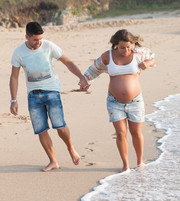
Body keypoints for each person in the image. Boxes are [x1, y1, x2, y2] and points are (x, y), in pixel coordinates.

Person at [10, 21, 86, 172]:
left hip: (52, 91)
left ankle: (70, 148)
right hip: (33, 96)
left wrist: (82, 77)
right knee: (41, 130)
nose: (39, 43)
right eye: (35, 40)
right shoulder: (18, 52)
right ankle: (53, 161)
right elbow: (14, 77)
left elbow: (67, 62)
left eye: (40, 39)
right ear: (27, 37)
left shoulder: (49, 46)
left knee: (60, 125)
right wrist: (13, 100)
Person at [79, 29, 156, 172]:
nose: (126, 50)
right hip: (115, 102)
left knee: (136, 132)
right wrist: (85, 80)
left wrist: (148, 64)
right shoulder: (107, 56)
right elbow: (94, 69)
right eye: (122, 47)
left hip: (136, 101)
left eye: (128, 47)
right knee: (121, 133)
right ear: (115, 44)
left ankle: (140, 163)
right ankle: (125, 165)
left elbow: (152, 58)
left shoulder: (138, 53)